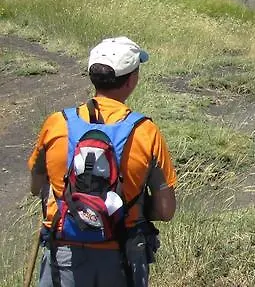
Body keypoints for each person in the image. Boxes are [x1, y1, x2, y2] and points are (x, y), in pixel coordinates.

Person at [28, 36, 177, 287]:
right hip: (123, 254)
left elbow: (35, 187)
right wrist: (132, 208)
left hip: (63, 253)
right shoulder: (146, 131)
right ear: (132, 80)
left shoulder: (56, 124)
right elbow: (165, 210)